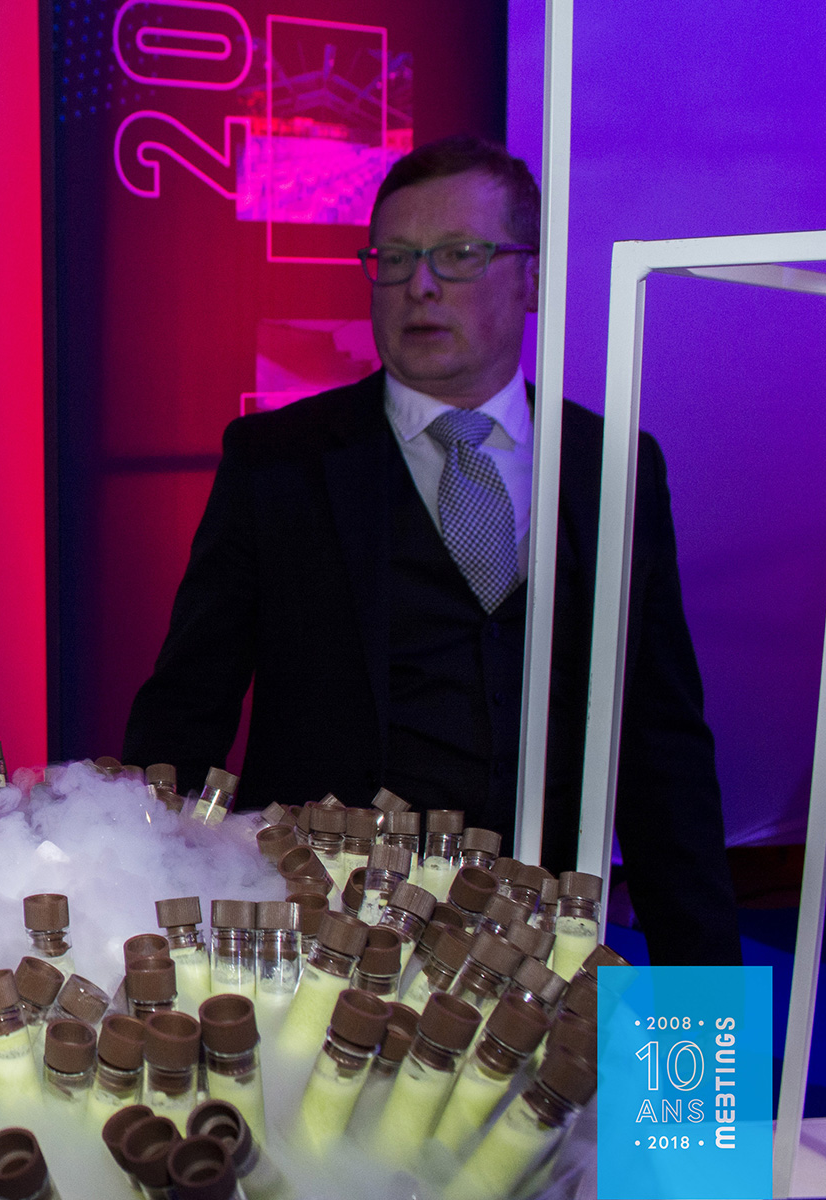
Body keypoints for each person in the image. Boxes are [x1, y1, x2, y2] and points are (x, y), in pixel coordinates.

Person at [123, 135, 739, 966]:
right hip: (325, 958)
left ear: (530, 278)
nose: (420, 285)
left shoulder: (612, 466)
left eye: (458, 255)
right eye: (396, 257)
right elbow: (185, 713)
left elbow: (663, 755)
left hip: (550, 957)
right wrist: (127, 920)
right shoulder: (278, 464)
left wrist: (703, 1057)